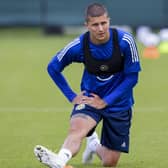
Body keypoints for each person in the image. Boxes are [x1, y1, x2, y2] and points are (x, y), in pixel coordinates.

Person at [34, 2, 141, 168]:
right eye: (95, 25)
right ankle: (60, 161)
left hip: (119, 103)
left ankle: (93, 145)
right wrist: (71, 96)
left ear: (109, 21)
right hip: (90, 98)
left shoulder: (125, 41)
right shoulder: (79, 46)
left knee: (109, 162)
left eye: (103, 23)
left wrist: (106, 101)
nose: (100, 29)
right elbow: (53, 67)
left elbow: (132, 78)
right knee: (77, 130)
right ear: (87, 25)